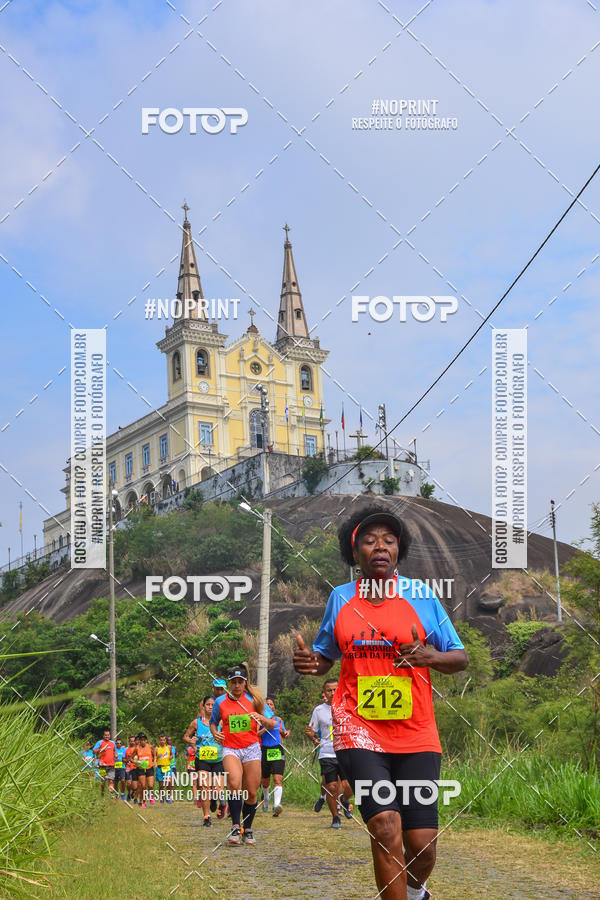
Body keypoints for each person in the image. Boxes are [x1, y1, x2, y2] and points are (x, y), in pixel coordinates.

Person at [293, 505, 469, 900]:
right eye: (370, 540)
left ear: (398, 550)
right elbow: (325, 656)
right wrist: (312, 663)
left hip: (416, 732)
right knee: (385, 825)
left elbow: (459, 657)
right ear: (354, 552)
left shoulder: (422, 597)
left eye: (389, 541)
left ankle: (414, 892)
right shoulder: (341, 599)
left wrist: (429, 657)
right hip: (358, 728)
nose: (380, 547)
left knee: (422, 844)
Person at [209, 665, 277, 845]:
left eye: (240, 682)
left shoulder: (254, 700)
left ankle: (247, 829)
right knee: (233, 783)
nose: (237, 685)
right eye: (234, 682)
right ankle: (235, 826)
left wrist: (261, 718)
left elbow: (272, 724)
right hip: (230, 748)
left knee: (252, 792)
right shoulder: (220, 702)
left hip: (251, 748)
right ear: (229, 684)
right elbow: (213, 722)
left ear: (245, 683)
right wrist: (215, 732)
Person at [306, 681, 353, 828]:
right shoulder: (319, 710)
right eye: (329, 690)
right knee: (331, 787)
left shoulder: (348, 706)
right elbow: (311, 731)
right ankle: (335, 818)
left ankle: (345, 800)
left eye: (335, 690)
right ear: (324, 693)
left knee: (348, 785)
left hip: (345, 750)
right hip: (327, 752)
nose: (332, 693)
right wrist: (312, 737)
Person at [184, 696, 226, 826]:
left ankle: (220, 802)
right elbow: (185, 736)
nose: (210, 707)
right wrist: (191, 741)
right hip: (202, 759)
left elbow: (229, 736)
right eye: (207, 704)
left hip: (218, 759)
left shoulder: (221, 722)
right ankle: (206, 816)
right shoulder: (196, 723)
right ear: (203, 706)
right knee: (204, 787)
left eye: (213, 704)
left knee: (218, 788)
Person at [259, 697, 290, 816]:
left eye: (271, 704)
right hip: (264, 750)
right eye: (267, 704)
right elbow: (256, 734)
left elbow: (283, 732)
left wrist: (286, 733)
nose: (269, 706)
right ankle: (266, 798)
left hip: (277, 749)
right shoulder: (259, 720)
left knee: (278, 779)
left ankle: (277, 805)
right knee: (265, 782)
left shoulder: (279, 720)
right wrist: (266, 727)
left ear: (274, 708)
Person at [132, 733, 156, 808]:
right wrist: (135, 762)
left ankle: (151, 795)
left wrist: (155, 761)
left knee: (151, 786)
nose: (143, 741)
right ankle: (143, 802)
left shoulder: (150, 747)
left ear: (146, 740)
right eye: (141, 740)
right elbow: (131, 758)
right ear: (139, 741)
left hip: (149, 768)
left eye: (144, 740)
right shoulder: (136, 748)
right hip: (141, 769)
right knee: (143, 786)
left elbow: (155, 755)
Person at [93, 729, 116, 798]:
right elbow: (94, 751)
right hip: (102, 765)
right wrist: (100, 749)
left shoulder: (112, 743)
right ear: (103, 736)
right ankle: (102, 794)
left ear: (110, 735)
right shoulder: (100, 742)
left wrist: (116, 754)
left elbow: (114, 751)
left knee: (111, 781)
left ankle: (112, 795)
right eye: (105, 735)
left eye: (108, 735)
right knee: (103, 781)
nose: (107, 736)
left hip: (111, 765)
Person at [155, 735, 172, 803]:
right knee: (161, 785)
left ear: (165, 740)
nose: (162, 741)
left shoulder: (168, 747)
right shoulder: (156, 748)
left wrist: (170, 757)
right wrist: (155, 761)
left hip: (167, 767)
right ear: (159, 740)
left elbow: (171, 755)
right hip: (160, 767)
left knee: (169, 782)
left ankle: (168, 797)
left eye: (164, 740)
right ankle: (162, 797)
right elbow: (155, 757)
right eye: (161, 740)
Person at [125, 735, 137, 802]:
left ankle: (134, 794)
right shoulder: (126, 749)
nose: (132, 742)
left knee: (135, 785)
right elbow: (123, 759)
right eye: (131, 741)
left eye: (133, 741)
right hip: (128, 768)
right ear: (129, 741)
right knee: (129, 783)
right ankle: (129, 793)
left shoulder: (137, 749)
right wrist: (127, 761)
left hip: (135, 768)